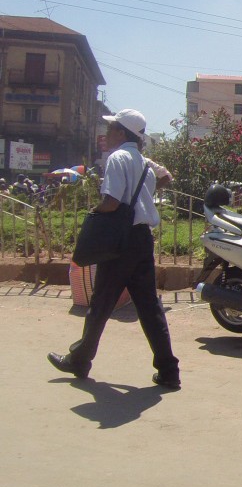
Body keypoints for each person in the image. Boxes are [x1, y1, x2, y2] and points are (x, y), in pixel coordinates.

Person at [47, 109, 180, 389]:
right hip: (142, 239)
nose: (106, 135)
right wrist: (145, 193)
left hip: (121, 240)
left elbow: (111, 202)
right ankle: (169, 370)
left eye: (110, 130)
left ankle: (80, 361)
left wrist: (92, 215)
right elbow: (166, 176)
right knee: (148, 306)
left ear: (122, 133)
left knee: (102, 302)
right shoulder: (144, 163)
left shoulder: (118, 158)